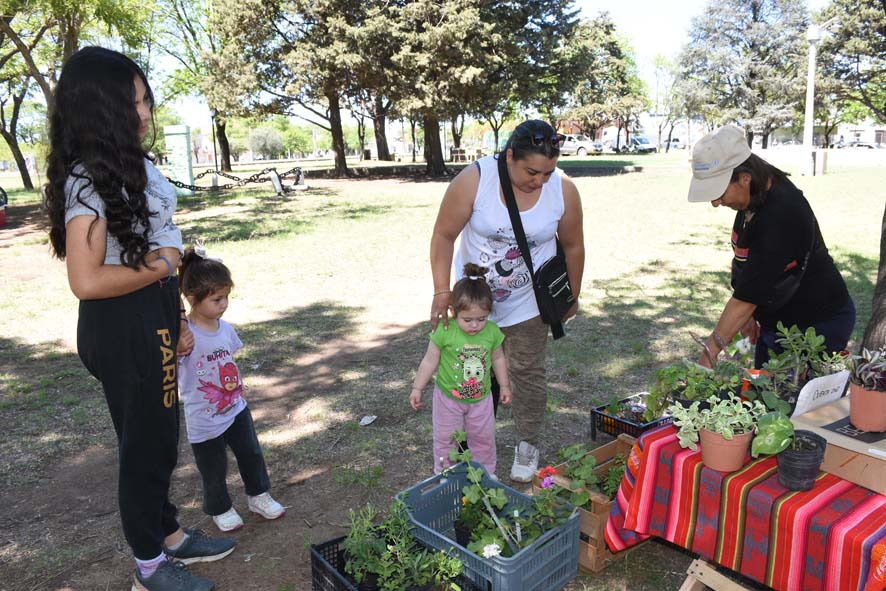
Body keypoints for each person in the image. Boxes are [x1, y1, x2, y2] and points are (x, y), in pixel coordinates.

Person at [43, 46, 235, 591]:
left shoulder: (131, 164)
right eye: (135, 102)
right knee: (144, 447)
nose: (147, 112)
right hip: (120, 327)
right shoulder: (88, 179)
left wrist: (173, 312)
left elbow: (151, 253)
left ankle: (169, 534)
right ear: (100, 108)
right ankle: (149, 567)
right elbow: (86, 280)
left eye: (146, 99)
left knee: (162, 435)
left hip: (149, 315)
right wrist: (164, 267)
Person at [429, 119, 585, 482]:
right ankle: (465, 446)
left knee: (527, 372)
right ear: (509, 155)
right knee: (470, 371)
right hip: (474, 303)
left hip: (529, 302)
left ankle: (527, 443)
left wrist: (572, 295)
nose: (539, 181)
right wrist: (441, 290)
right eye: (531, 171)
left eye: (547, 172)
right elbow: (443, 234)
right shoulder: (475, 180)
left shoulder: (563, 190)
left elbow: (574, 245)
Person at [687, 124, 855, 368]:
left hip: (816, 327)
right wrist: (750, 317)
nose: (715, 202)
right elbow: (749, 264)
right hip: (778, 323)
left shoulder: (781, 213)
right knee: (765, 397)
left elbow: (746, 297)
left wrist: (708, 354)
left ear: (744, 178)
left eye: (719, 192)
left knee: (797, 403)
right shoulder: (755, 195)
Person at [178, 246, 285, 532]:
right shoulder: (184, 336)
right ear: (191, 299)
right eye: (216, 299)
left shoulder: (224, 328)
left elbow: (228, 361)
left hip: (235, 408)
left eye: (226, 297)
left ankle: (259, 495)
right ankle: (220, 508)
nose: (224, 304)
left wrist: (241, 387)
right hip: (204, 418)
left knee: (251, 453)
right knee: (213, 468)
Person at [410, 263, 513, 474]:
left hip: (481, 400)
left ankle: (485, 476)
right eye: (467, 320)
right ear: (453, 312)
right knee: (446, 440)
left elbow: (498, 358)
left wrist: (504, 385)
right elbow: (430, 360)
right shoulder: (444, 331)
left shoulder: (492, 332)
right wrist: (417, 388)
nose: (475, 325)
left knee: (483, 440)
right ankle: (444, 475)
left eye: (481, 319)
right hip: (448, 400)